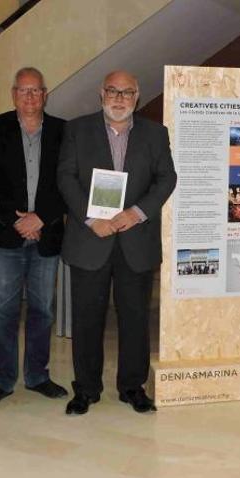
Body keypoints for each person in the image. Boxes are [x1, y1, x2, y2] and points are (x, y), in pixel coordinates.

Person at [57, 70, 176, 415]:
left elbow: (167, 178)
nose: (119, 98)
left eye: (127, 92)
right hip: (90, 239)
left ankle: (132, 387)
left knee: (135, 318)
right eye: (113, 91)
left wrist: (136, 213)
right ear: (101, 94)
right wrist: (92, 220)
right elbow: (65, 178)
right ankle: (86, 389)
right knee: (86, 319)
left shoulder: (155, 134)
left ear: (137, 97)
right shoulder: (77, 130)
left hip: (135, 240)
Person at [0, 68, 67, 408]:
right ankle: (1, 380)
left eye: (36, 91)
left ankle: (38, 376)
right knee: (3, 311)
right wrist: (17, 221)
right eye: (23, 91)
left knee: (43, 309)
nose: (30, 97)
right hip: (7, 236)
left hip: (47, 233)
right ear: (14, 94)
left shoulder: (62, 130)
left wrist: (42, 217)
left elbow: (68, 181)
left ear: (45, 94)